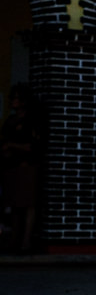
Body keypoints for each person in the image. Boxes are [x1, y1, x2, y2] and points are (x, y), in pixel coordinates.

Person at [1, 83, 42, 253]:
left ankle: (26, 240)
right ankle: (14, 239)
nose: (13, 101)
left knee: (28, 204)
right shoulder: (10, 121)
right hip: (12, 166)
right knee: (15, 203)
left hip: (27, 166)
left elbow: (33, 146)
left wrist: (12, 146)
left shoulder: (31, 120)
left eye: (16, 98)